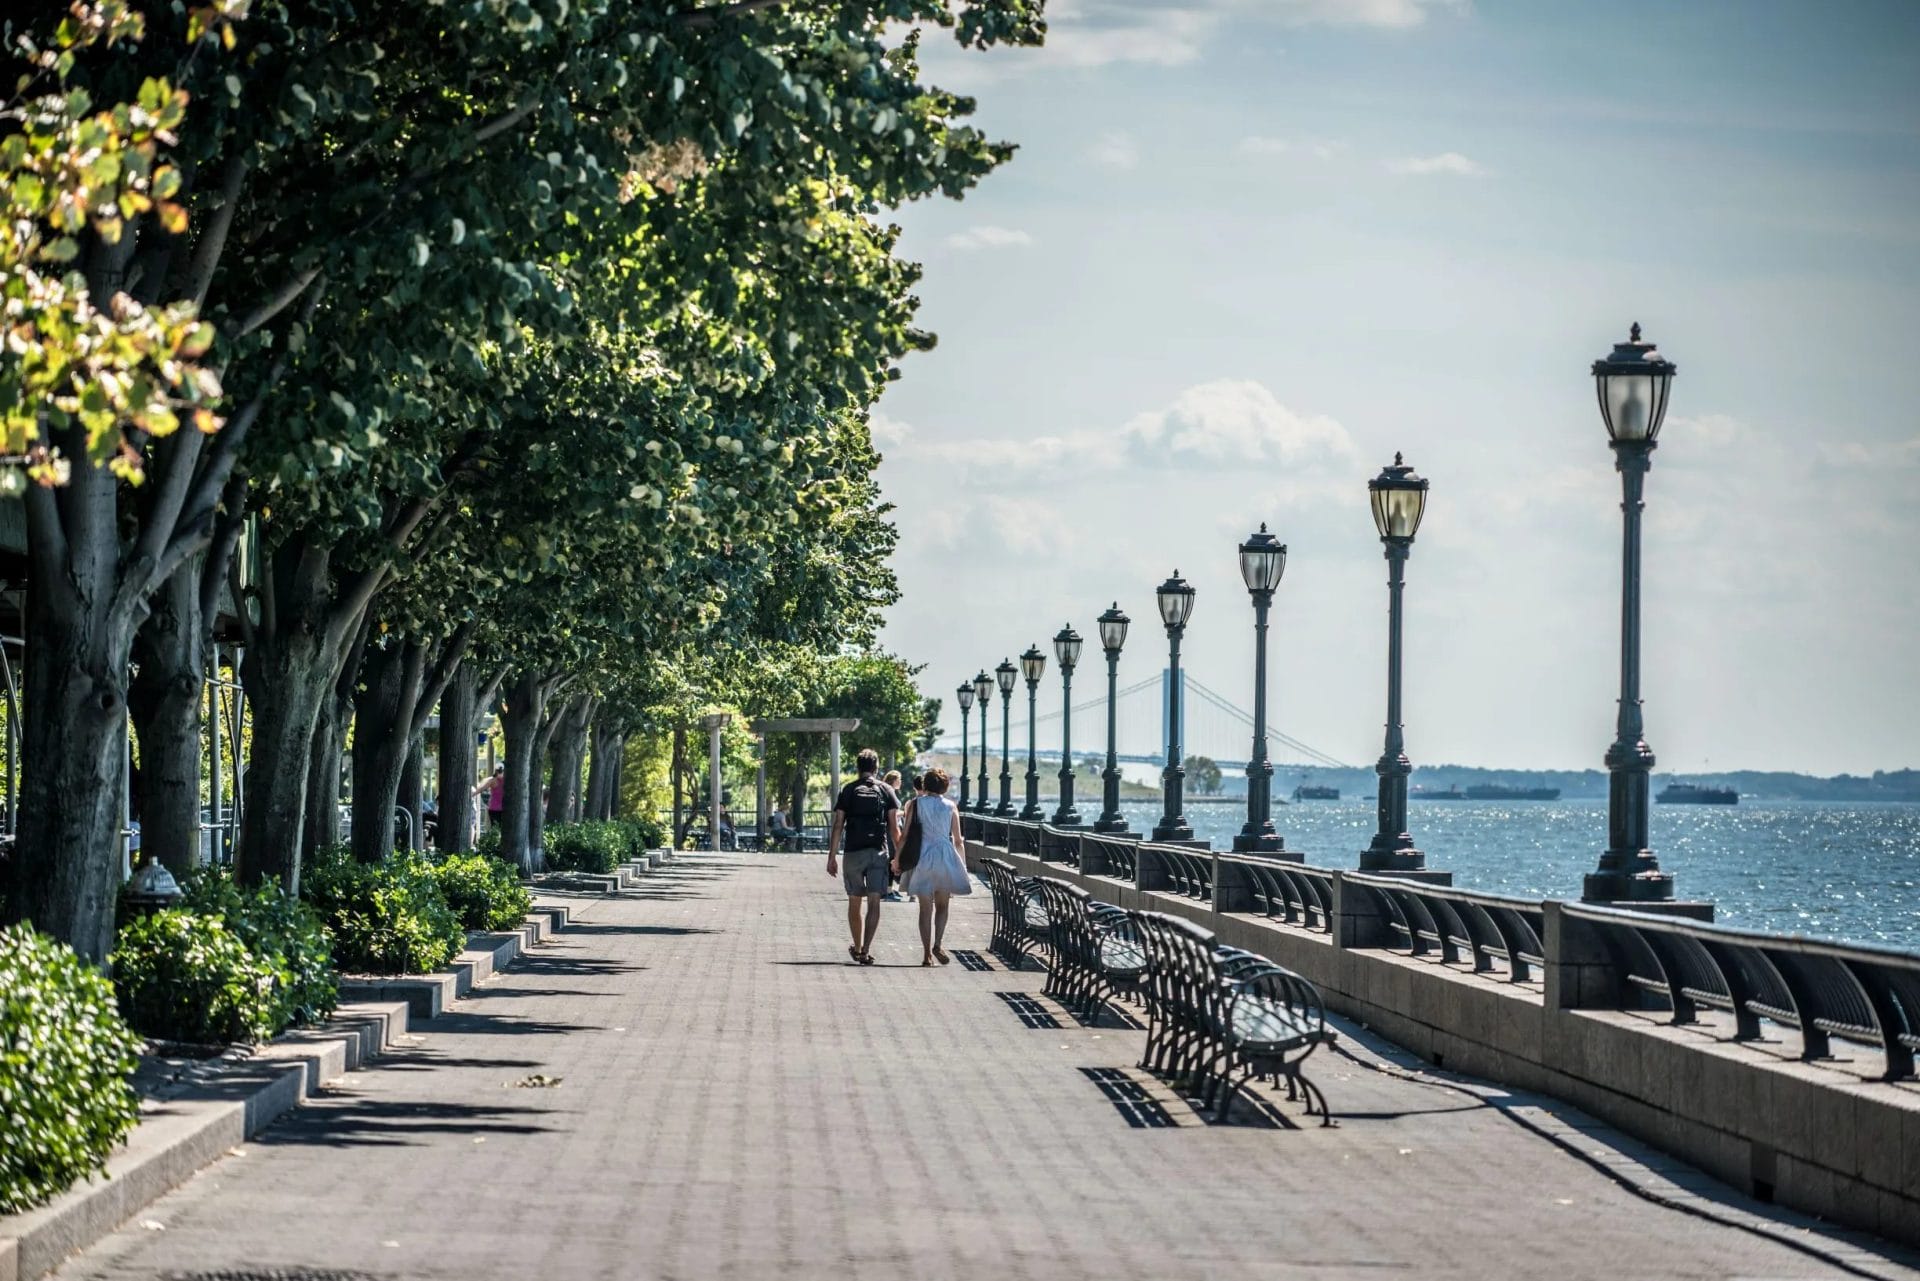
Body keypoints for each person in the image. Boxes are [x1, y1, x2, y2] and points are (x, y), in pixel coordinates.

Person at [827, 748, 901, 965]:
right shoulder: (887, 790)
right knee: (874, 902)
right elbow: (894, 828)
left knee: (854, 901)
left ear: (858, 767)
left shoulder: (849, 790)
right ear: (876, 768)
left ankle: (857, 947)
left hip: (853, 852)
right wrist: (899, 857)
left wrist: (832, 856)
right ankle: (866, 951)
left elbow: (839, 824)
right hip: (878, 851)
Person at [894, 767, 970, 965]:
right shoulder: (951, 806)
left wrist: (897, 859)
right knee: (943, 905)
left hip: (922, 857)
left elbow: (905, 835)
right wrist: (962, 866)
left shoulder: (916, 804)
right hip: (945, 856)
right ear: (944, 786)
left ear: (925, 785)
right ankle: (938, 943)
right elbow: (958, 840)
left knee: (925, 909)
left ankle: (926, 954)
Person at [473, 765, 506, 829]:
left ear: (496, 771)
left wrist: (472, 794)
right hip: (502, 808)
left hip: (494, 808)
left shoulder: (492, 780)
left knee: (495, 828)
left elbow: (481, 789)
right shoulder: (508, 781)